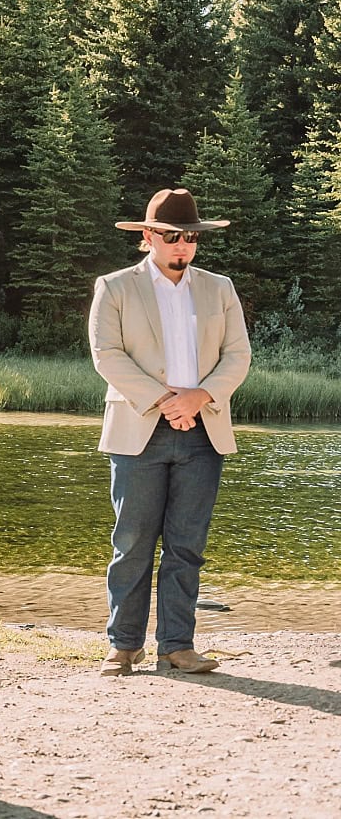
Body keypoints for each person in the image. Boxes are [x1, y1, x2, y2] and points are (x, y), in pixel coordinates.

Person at [89, 188, 250, 675]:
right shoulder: (114, 287)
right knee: (132, 542)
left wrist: (198, 398)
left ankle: (177, 645)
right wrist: (165, 400)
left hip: (204, 431)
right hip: (140, 427)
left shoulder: (219, 287)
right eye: (173, 237)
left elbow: (237, 355)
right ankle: (124, 645)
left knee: (186, 545)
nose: (183, 246)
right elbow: (107, 355)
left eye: (190, 238)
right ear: (149, 236)